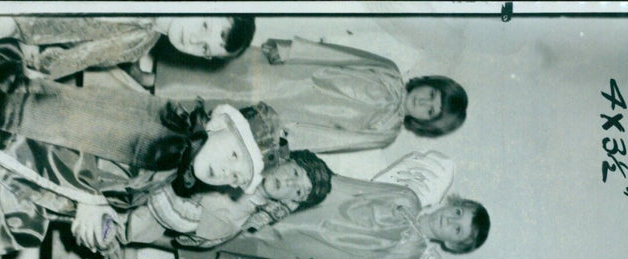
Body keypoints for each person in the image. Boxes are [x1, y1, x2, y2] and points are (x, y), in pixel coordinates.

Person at [0, 37, 284, 259]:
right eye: (234, 156)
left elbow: (119, 198)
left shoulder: (177, 161)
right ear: (219, 125)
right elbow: (81, 123)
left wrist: (100, 223)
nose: (226, 172)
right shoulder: (170, 134)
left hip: (54, 168)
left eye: (235, 177)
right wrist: (88, 198)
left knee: (3, 239)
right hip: (34, 134)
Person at [227, 150, 489, 259]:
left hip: (316, 248)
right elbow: (351, 188)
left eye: (458, 230)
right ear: (453, 204)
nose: (452, 221)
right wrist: (314, 184)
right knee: (250, 199)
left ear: (453, 244)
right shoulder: (407, 198)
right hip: (321, 207)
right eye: (458, 213)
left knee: (249, 235)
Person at [156, 34, 467, 152]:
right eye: (431, 95)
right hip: (290, 75)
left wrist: (291, 138)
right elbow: (337, 55)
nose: (424, 102)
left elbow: (336, 140)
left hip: (293, 115)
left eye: (430, 111)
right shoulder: (389, 70)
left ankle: (154, 100)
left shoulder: (386, 134)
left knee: (224, 108)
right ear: (429, 83)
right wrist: (292, 51)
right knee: (223, 73)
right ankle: (151, 70)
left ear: (426, 122)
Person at [124, 149, 333, 249]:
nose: (289, 183)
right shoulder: (244, 155)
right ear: (286, 160)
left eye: (298, 192)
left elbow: (173, 219)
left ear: (292, 203)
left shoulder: (232, 221)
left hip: (141, 207)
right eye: (295, 173)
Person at [0, 15, 256, 81]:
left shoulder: (137, 47)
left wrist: (40, 66)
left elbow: (76, 59)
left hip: (20, 30)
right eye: (204, 27)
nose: (194, 41)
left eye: (205, 51)